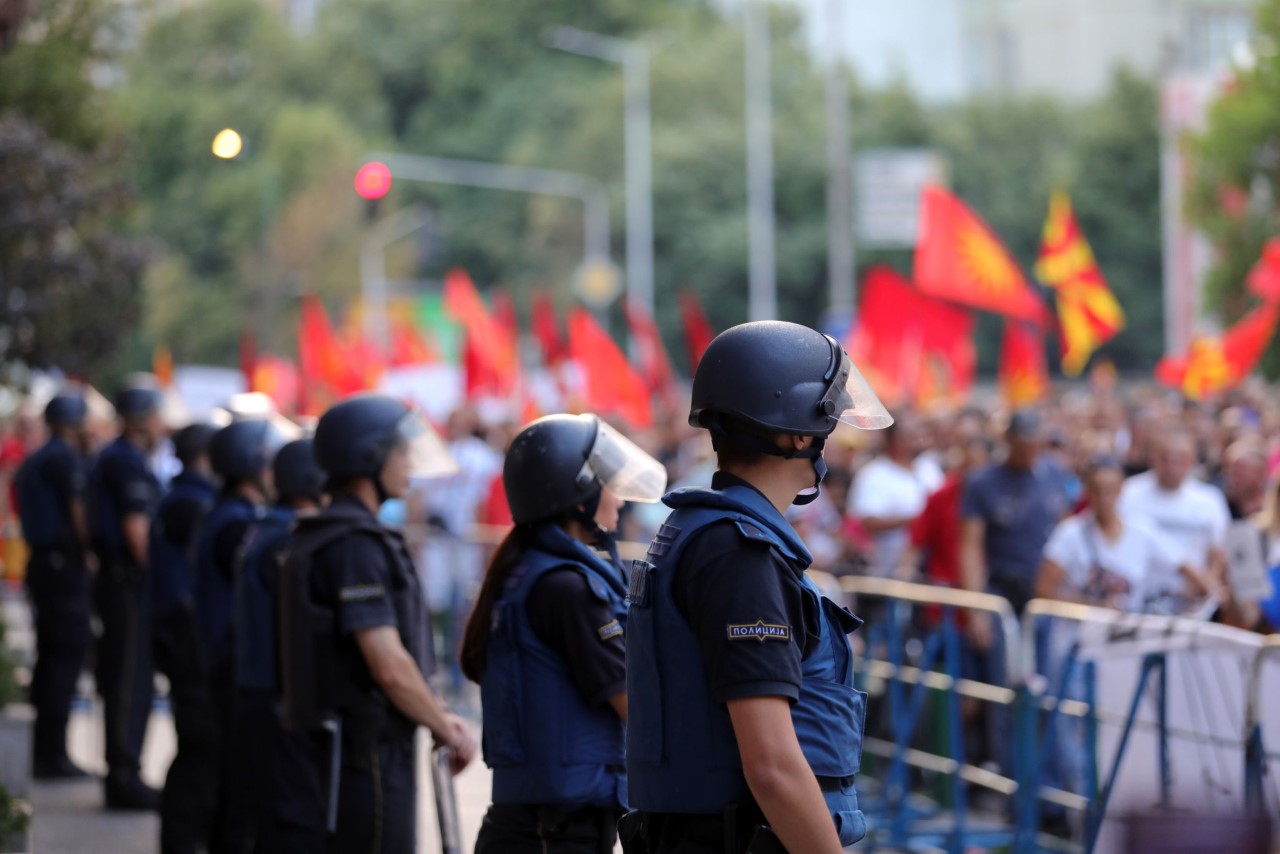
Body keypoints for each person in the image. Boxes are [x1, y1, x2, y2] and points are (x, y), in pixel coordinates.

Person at [622, 320, 893, 854]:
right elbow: (771, 766)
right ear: (797, 434)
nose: (832, 435)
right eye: (827, 420)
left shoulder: (703, 531)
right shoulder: (738, 554)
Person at [279, 394, 478, 854]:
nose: (409, 462)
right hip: (364, 753)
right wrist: (444, 727)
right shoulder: (356, 546)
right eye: (400, 451)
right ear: (368, 457)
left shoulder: (340, 533)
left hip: (354, 749)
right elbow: (386, 662)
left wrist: (430, 711)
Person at [460, 413, 667, 853]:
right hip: (556, 829)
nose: (619, 498)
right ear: (579, 498)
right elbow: (632, 702)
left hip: (537, 818)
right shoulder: (568, 588)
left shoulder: (532, 571)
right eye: (608, 484)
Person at [225, 438, 328, 853]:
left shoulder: (266, 529)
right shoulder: (287, 539)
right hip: (279, 700)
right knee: (294, 819)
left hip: (257, 693)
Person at [192, 418, 283, 850]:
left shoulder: (229, 513)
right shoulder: (235, 523)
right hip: (232, 665)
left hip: (225, 661)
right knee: (240, 788)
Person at [88, 382, 167, 810]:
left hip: (118, 582)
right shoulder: (127, 461)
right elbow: (138, 532)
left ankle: (124, 770)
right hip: (128, 586)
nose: (162, 424)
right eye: (156, 414)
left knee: (128, 678)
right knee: (129, 680)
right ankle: (123, 776)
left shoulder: (119, 458)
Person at [15, 392, 94, 779]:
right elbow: (79, 513)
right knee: (64, 659)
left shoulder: (35, 458)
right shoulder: (63, 458)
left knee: (50, 659)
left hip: (42, 564)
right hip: (62, 568)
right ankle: (54, 755)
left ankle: (45, 752)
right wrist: (91, 551)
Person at [150, 422, 220, 854]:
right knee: (200, 745)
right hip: (187, 639)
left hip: (179, 635)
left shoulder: (183, 498)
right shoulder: (191, 504)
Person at [1117, 431, 1225, 614]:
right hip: (1137, 603)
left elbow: (1218, 550)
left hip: (1192, 606)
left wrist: (1207, 584)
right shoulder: (1128, 493)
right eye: (1165, 457)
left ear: (1192, 460)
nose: (1172, 465)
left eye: (1180, 458)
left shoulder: (1209, 499)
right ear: (1153, 457)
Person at [847, 413, 943, 577]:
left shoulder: (929, 467)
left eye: (918, 433)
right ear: (893, 439)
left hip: (932, 560)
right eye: (909, 435)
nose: (916, 439)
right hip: (888, 565)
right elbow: (866, 521)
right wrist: (916, 521)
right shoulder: (873, 474)